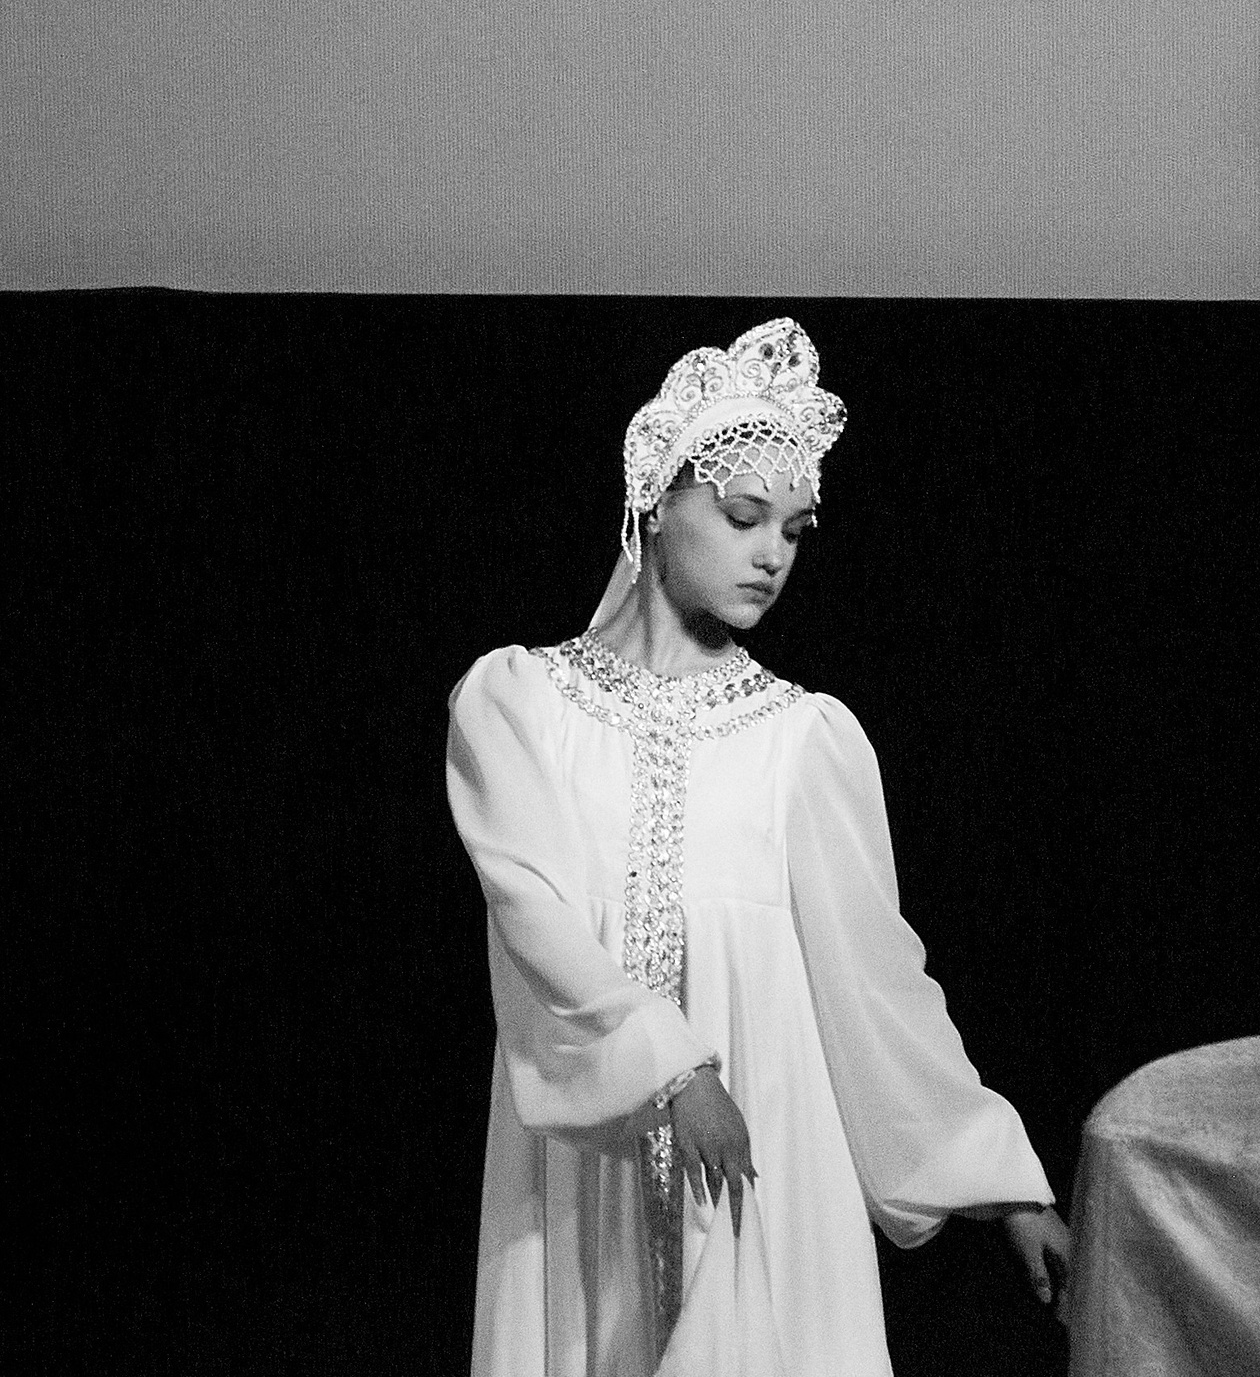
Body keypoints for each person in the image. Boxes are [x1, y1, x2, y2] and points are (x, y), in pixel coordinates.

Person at [445, 317, 1071, 1376]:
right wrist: (674, 1069)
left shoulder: (802, 739)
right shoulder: (519, 703)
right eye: (743, 515)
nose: (773, 553)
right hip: (588, 1174)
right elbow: (534, 913)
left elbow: (876, 982)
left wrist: (1002, 1183)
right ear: (656, 498)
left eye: (794, 528)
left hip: (765, 1162)